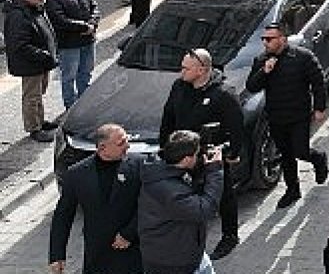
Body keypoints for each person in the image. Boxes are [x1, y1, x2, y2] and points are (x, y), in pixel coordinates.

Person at [159, 48, 245, 259]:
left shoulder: (223, 94)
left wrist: (231, 152)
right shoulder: (179, 87)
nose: (181, 72)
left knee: (224, 195)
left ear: (201, 70)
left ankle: (230, 237)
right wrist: (165, 147)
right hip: (182, 154)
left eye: (185, 68)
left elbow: (236, 127)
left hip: (210, 156)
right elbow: (168, 117)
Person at [245, 22, 329, 209]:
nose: (265, 43)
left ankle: (318, 158)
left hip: (299, 114)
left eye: (269, 39)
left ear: (282, 39)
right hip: (275, 116)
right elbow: (252, 86)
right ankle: (293, 189)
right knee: (286, 155)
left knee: (300, 150)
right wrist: (264, 71)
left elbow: (318, 82)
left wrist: (319, 107)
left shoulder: (302, 57)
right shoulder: (262, 60)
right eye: (264, 39)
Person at [49, 123, 144, 274]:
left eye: (126, 140)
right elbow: (63, 215)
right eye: (121, 143)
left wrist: (129, 233)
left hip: (132, 251)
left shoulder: (138, 166)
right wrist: (57, 255)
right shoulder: (78, 174)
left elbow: (149, 204)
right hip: (97, 254)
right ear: (102, 148)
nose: (127, 146)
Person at [138, 130, 224, 274]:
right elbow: (205, 209)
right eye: (196, 154)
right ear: (185, 159)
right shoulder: (171, 191)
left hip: (187, 252)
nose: (199, 157)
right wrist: (215, 172)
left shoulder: (163, 170)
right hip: (173, 262)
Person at [3, 0, 58, 142]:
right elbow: (20, 45)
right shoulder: (18, 16)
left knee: (38, 94)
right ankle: (34, 128)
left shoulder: (35, 9)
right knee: (32, 97)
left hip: (41, 62)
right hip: (31, 64)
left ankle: (40, 121)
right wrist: (43, 55)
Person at [45, 0, 99, 109]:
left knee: (86, 73)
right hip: (69, 44)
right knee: (69, 77)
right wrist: (84, 26)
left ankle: (85, 101)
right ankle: (70, 105)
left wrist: (93, 23)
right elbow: (60, 20)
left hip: (88, 40)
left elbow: (95, 8)